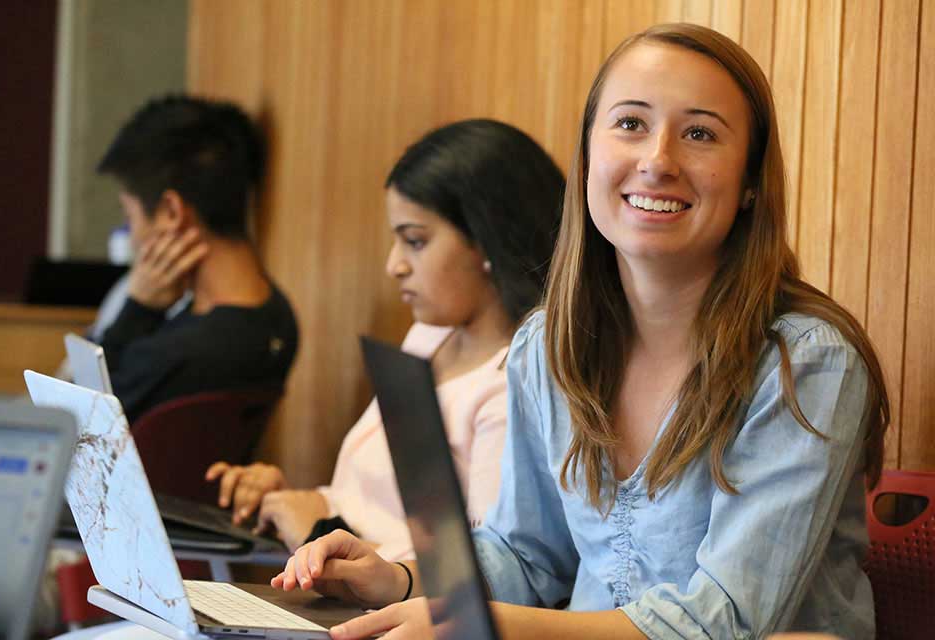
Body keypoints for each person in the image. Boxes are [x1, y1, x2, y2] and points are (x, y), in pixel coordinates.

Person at [271, 23, 889, 640]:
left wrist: (497, 628)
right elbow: (527, 556)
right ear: (588, 157)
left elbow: (727, 621)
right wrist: (400, 579)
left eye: (699, 133)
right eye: (631, 123)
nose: (658, 160)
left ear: (751, 183)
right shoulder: (545, 346)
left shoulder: (806, 363)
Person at [206, 119, 565, 560]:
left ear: (489, 240)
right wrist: (293, 502)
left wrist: (321, 532)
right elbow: (373, 506)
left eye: (415, 241)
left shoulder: (514, 385)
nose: (395, 265)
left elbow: (482, 572)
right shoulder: (428, 338)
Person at [96, 95, 299, 423]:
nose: (132, 237)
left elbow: (73, 425)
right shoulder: (280, 317)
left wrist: (138, 311)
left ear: (172, 212)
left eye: (130, 216)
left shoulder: (174, 355)